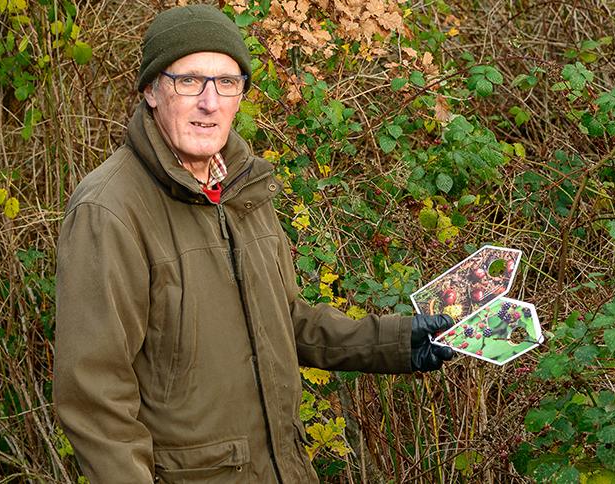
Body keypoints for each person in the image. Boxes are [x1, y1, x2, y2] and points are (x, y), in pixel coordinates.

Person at [53, 5, 454, 483]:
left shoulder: (242, 189)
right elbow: (95, 399)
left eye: (227, 82)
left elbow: (285, 320)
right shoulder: (110, 210)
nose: (210, 102)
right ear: (151, 91)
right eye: (189, 81)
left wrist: (395, 342)